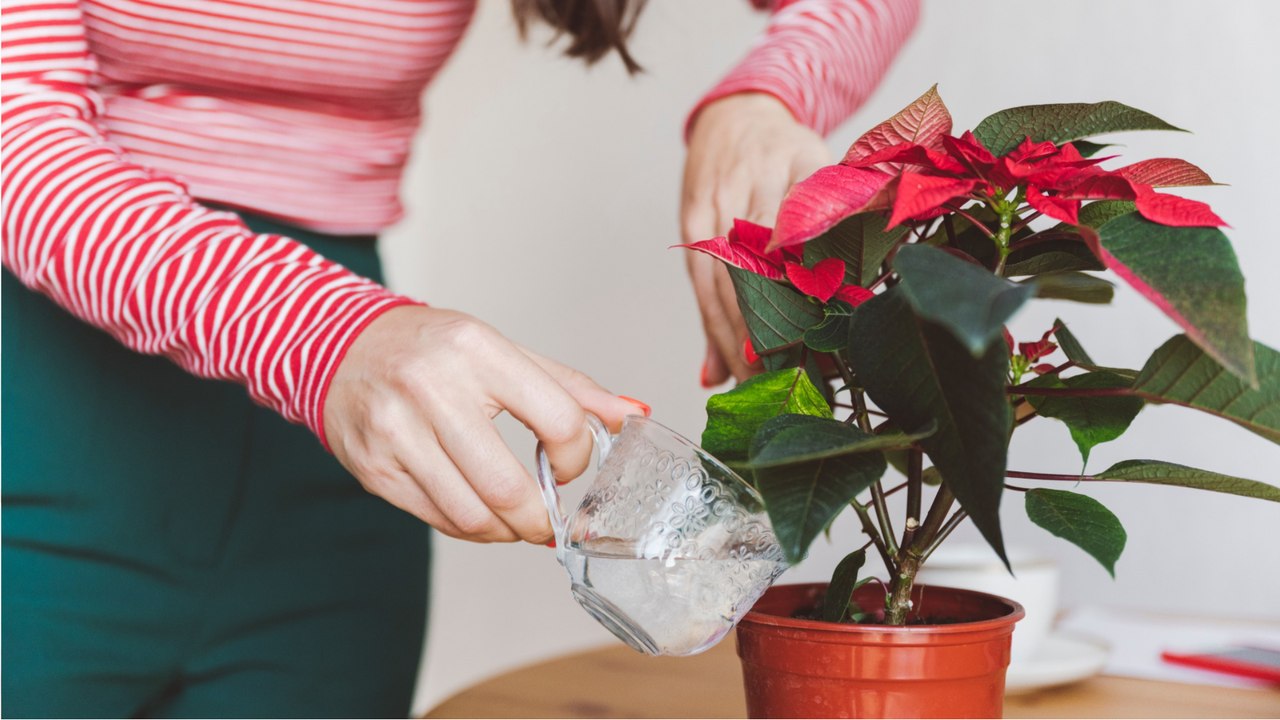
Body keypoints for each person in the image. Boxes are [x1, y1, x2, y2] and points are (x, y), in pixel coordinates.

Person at [0, 0, 919, 715]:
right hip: (55, 396)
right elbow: (19, 135)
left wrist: (766, 99)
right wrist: (327, 337)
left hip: (328, 460)